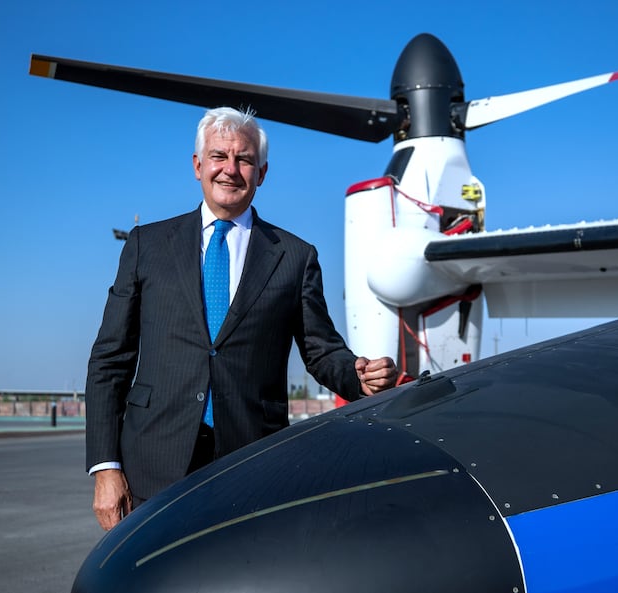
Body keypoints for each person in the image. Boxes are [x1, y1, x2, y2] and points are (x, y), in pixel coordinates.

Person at [85, 106, 398, 531]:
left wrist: (356, 375)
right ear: (198, 165)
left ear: (262, 172)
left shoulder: (295, 257)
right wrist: (106, 468)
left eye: (244, 159)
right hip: (151, 467)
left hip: (253, 463)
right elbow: (109, 360)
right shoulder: (147, 245)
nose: (230, 169)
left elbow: (322, 351)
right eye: (219, 156)